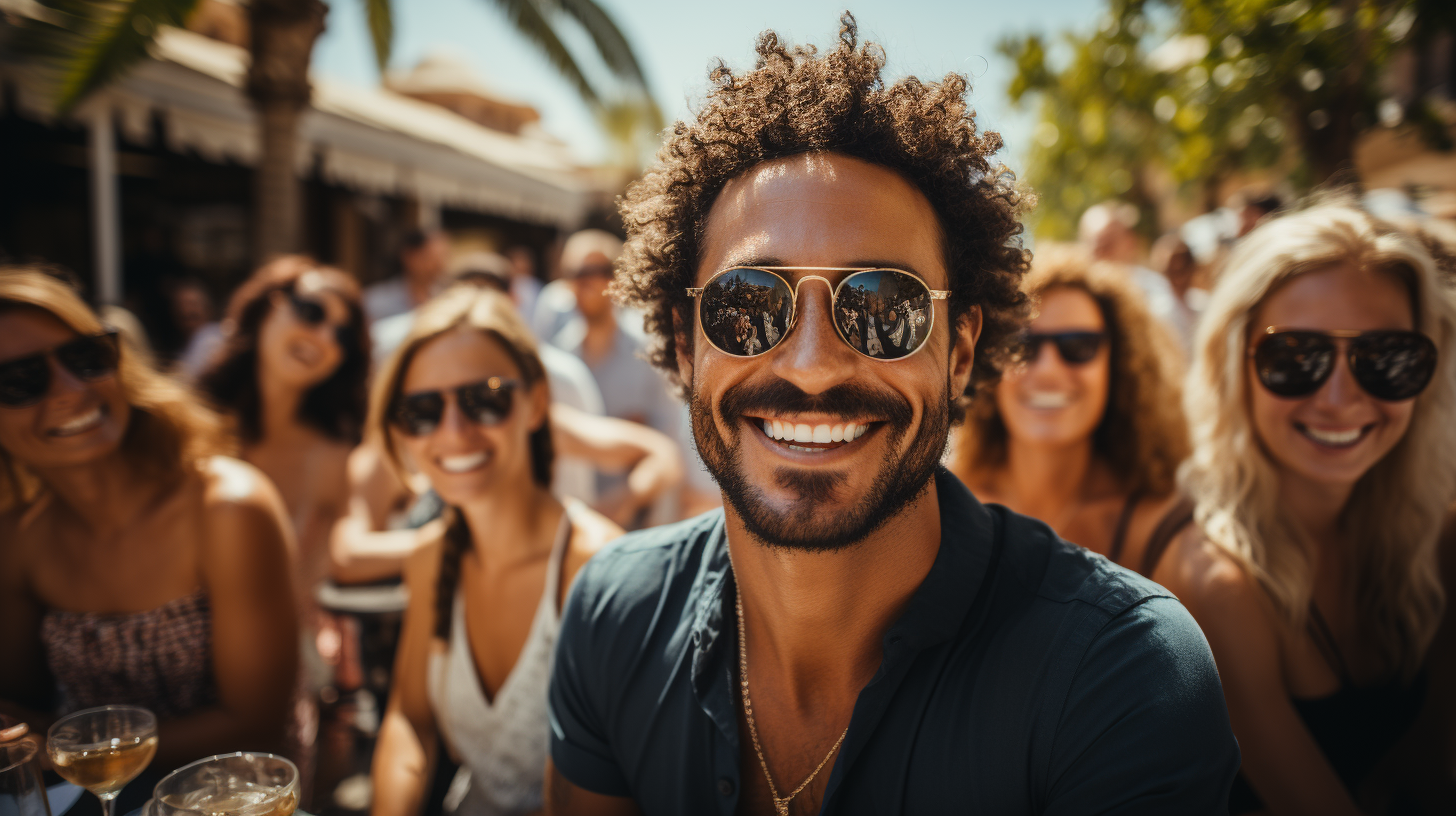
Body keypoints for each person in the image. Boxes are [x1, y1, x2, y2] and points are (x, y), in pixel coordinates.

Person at [543, 16, 1238, 815]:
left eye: (881, 306)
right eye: (747, 305)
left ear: (961, 352)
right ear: (684, 339)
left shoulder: (1120, 675)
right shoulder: (611, 620)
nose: (810, 365)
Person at [1148, 199, 1456, 814]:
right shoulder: (1215, 583)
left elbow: (1432, 765)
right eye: (1295, 357)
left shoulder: (1437, 535)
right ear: (1233, 365)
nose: (1341, 397)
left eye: (1387, 357)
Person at [0, 269, 299, 809]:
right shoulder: (19, 540)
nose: (71, 390)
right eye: (20, 381)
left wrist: (66, 747)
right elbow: (19, 714)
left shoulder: (227, 506)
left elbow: (256, 727)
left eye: (85, 358)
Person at [368, 285, 622, 816]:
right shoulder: (430, 555)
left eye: (484, 399)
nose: (454, 432)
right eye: (421, 410)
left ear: (537, 403)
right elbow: (409, 720)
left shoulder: (599, 569)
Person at [950, 245, 1190, 571]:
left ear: (1118, 366)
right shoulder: (938, 507)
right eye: (1021, 346)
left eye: (1078, 346)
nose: (1048, 370)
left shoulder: (1163, 528)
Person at [198, 256, 369, 612]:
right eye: (311, 312)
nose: (323, 337)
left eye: (343, 335)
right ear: (269, 307)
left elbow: (338, 569)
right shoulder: (188, 432)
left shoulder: (338, 460)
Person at [1079, 200, 1186, 342]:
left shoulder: (1158, 297)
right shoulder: (1077, 301)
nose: (1102, 253)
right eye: (1095, 246)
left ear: (1130, 242)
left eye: (1109, 243)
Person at [364, 228, 451, 322]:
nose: (439, 265)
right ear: (408, 256)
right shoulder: (377, 300)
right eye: (430, 258)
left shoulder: (447, 298)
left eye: (442, 257)